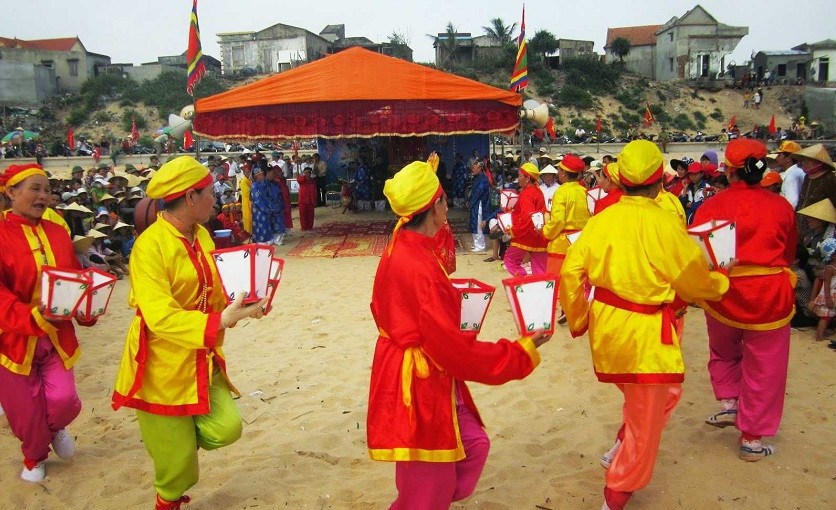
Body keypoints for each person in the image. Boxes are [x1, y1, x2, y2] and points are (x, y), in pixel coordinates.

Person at [368, 155, 550, 509]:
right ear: (432, 208)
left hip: (415, 366)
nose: (448, 207)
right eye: (444, 200)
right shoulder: (419, 266)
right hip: (420, 380)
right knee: (426, 492)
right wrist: (521, 352)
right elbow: (458, 354)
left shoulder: (401, 245)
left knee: (473, 447)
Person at [559, 141, 731, 510]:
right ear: (659, 183)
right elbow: (693, 281)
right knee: (650, 412)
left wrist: (579, 319)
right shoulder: (664, 223)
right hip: (646, 334)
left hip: (607, 328)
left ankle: (622, 443)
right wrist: (721, 282)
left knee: (647, 401)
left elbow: (570, 274)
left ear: (621, 180)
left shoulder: (601, 221)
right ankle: (617, 492)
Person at [111, 156, 268, 509]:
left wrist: (245, 306)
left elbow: (215, 294)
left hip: (200, 355)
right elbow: (160, 317)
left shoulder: (202, 237)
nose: (216, 198)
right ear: (190, 197)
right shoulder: (149, 247)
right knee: (177, 469)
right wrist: (219, 322)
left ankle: (175, 444)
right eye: (210, 192)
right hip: (160, 366)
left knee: (227, 428)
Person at [694, 139, 796, 462]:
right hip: (769, 296)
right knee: (766, 365)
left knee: (723, 350)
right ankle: (751, 438)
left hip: (724, 292)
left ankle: (730, 402)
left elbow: (699, 253)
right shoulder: (781, 207)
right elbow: (789, 252)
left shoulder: (712, 205)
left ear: (728, 169)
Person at [0, 163, 98, 482]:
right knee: (25, 412)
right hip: (13, 339)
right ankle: (34, 456)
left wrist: (87, 305)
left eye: (47, 189)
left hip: (57, 334)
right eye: (35, 189)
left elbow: (73, 277)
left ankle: (54, 430)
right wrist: (31, 316)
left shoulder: (57, 231)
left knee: (64, 400)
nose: (44, 196)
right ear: (11, 192)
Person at [541, 154, 590, 289]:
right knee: (577, 287)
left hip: (562, 245)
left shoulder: (561, 192)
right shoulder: (585, 191)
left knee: (557, 287)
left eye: (559, 170)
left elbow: (558, 220)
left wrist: (546, 232)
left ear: (563, 173)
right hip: (581, 241)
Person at [504, 163, 548, 277]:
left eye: (520, 176)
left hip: (526, 234)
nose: (518, 179)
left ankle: (522, 282)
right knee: (540, 270)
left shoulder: (527, 193)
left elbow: (528, 216)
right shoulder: (538, 190)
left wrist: (514, 230)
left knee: (510, 261)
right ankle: (539, 287)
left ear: (527, 178)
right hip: (540, 234)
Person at [793, 144, 836, 237]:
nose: (805, 163)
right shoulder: (807, 177)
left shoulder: (829, 178)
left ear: (818, 162)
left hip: (820, 226)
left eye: (809, 160)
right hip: (801, 224)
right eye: (803, 160)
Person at [808, 238, 836, 342]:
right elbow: (827, 285)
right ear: (833, 255)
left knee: (830, 316)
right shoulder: (829, 268)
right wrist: (828, 299)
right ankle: (819, 336)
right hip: (829, 295)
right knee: (825, 317)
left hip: (833, 295)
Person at [468, 161, 490, 252]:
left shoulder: (483, 179)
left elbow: (478, 193)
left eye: (474, 168)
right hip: (475, 204)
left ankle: (480, 245)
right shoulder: (477, 178)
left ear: (480, 168)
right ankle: (476, 243)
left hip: (480, 204)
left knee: (478, 224)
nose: (472, 170)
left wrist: (471, 203)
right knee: (474, 223)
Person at [297, 166, 317, 231]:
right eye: (307, 172)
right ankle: (304, 227)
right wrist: (304, 175)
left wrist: (315, 199)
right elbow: (299, 180)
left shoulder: (312, 181)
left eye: (309, 172)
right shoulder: (302, 179)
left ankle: (310, 226)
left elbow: (315, 190)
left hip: (311, 199)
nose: (308, 173)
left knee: (310, 214)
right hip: (303, 199)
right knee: (303, 214)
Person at [239, 163, 253, 235]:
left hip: (250, 201)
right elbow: (247, 192)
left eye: (249, 172)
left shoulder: (249, 180)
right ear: (244, 173)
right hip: (246, 201)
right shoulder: (243, 181)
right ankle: (248, 233)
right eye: (247, 172)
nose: (249, 173)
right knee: (248, 217)